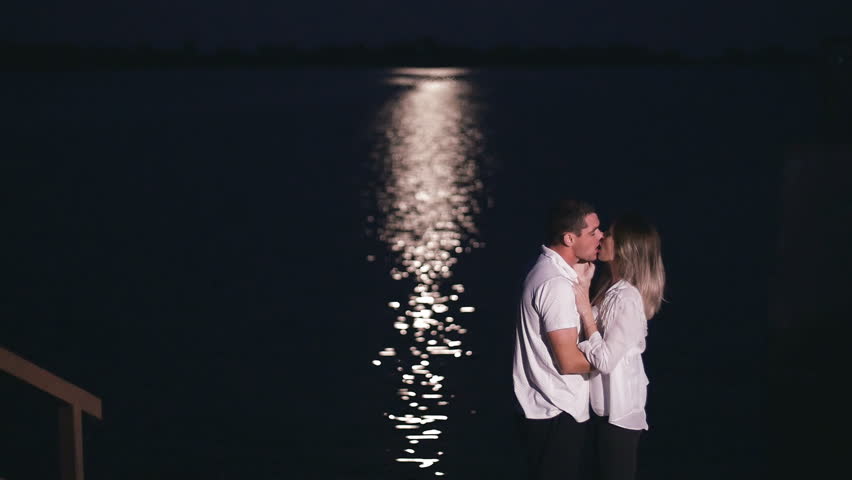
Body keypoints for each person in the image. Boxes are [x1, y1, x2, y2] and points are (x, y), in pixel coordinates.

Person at [513, 199, 604, 480]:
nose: (602, 236)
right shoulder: (555, 284)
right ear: (569, 238)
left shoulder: (544, 269)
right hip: (556, 409)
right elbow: (569, 361)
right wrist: (615, 360)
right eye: (593, 232)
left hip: (546, 408)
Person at [573, 213, 666, 480]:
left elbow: (604, 360)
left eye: (610, 234)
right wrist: (586, 286)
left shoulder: (627, 298)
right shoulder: (611, 288)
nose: (602, 237)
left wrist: (585, 313)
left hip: (620, 416)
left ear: (625, 246)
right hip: (607, 414)